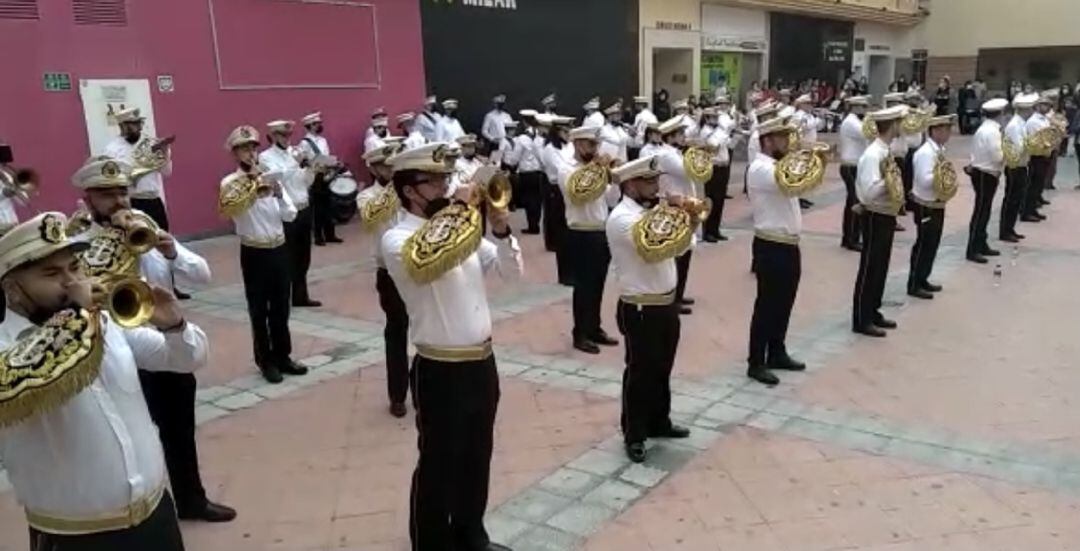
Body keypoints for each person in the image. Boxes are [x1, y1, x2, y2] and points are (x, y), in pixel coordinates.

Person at [0, 210, 209, 551]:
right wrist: (79, 317)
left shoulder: (105, 323)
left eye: (74, 267)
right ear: (12, 288)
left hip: (157, 514)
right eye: (51, 273)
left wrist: (174, 325)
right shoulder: (6, 346)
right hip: (75, 537)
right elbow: (32, 373)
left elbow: (187, 359)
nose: (72, 283)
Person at [69, 156, 235, 524]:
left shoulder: (147, 226)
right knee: (131, 433)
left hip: (166, 339)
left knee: (180, 430)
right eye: (107, 194)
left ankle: (192, 500)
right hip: (119, 348)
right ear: (89, 197)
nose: (119, 202)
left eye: (122, 192)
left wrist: (171, 249)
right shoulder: (76, 245)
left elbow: (202, 276)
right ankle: (142, 508)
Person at [380, 142, 522, 551]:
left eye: (447, 177)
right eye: (437, 179)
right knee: (438, 464)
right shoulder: (398, 238)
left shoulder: (462, 229)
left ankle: (470, 532)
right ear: (410, 190)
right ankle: (430, 543)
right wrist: (462, 210)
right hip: (439, 368)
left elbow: (511, 274)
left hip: (482, 361)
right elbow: (427, 260)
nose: (447, 184)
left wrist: (500, 227)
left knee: (478, 455)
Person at [605, 155, 690, 463]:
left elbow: (683, 247)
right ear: (630, 185)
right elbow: (654, 248)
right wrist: (675, 214)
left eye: (657, 181)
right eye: (649, 182)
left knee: (662, 368)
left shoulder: (653, 211)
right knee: (640, 372)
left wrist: (687, 218)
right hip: (640, 306)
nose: (656, 187)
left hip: (666, 302)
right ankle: (635, 432)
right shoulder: (622, 218)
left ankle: (659, 421)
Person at [219, 125, 307, 383]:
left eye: (253, 148)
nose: (250, 153)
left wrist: (279, 194)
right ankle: (265, 360)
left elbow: (290, 215)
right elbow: (232, 214)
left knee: (281, 307)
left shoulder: (271, 176)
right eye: (244, 149)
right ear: (235, 154)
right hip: (254, 250)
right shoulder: (229, 183)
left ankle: (283, 356)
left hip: (279, 248)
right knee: (259, 309)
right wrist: (250, 188)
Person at [745, 116, 810, 386]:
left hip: (789, 244)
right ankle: (756, 361)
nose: (787, 142)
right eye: (782, 138)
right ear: (768, 141)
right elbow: (793, 181)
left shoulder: (778, 165)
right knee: (767, 305)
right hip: (771, 244)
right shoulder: (761, 168)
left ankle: (777, 351)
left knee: (785, 302)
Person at [356, 142, 410, 418]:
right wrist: (397, 187)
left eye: (393, 165)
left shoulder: (408, 190)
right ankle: (398, 394)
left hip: (416, 267)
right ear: (374, 168)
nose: (390, 170)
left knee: (426, 329)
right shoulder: (367, 196)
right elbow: (371, 215)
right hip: (389, 272)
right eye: (385, 166)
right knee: (397, 332)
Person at [559, 124, 619, 354]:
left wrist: (612, 178)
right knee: (583, 287)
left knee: (598, 283)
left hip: (600, 229)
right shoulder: (567, 168)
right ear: (577, 143)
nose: (594, 149)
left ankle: (594, 327)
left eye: (596, 145)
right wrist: (597, 171)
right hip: (579, 232)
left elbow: (609, 198)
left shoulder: (595, 169)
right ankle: (580, 333)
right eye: (590, 144)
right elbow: (579, 197)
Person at [852, 105, 906, 338]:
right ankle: (861, 318)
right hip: (875, 214)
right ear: (892, 125)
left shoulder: (885, 150)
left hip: (886, 214)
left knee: (881, 266)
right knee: (870, 267)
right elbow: (869, 191)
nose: (902, 127)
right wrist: (889, 181)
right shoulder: (873, 154)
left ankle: (873, 310)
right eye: (899, 123)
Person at [259, 120, 320, 308]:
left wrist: (312, 169)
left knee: (304, 255)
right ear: (273, 136)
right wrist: (297, 164)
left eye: (288, 135)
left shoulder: (294, 153)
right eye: (281, 135)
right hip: (286, 210)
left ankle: (300, 295)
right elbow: (277, 176)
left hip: (304, 207)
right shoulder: (265, 156)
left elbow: (305, 182)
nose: (286, 139)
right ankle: (283, 295)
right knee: (287, 256)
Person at [908, 115, 957, 299]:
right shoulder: (926, 153)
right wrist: (943, 177)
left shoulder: (938, 150)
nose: (949, 133)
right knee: (924, 244)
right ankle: (914, 283)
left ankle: (923, 278)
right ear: (935, 130)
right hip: (926, 204)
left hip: (936, 202)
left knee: (932, 243)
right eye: (946, 130)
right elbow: (924, 179)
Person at [103, 107, 173, 231]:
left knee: (161, 239)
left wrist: (165, 153)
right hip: (129, 203)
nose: (138, 128)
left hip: (154, 201)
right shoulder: (111, 149)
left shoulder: (152, 144)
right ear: (122, 126)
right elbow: (111, 180)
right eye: (133, 124)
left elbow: (167, 173)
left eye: (139, 123)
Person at [655, 117, 698, 314]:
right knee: (677, 254)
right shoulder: (667, 155)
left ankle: (679, 294)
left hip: (685, 206)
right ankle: (672, 298)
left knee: (686, 251)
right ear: (670, 136)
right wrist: (694, 152)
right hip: (674, 208)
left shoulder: (675, 153)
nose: (684, 137)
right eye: (680, 134)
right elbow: (690, 172)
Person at [966, 98, 1008, 264]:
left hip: (984, 172)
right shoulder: (992, 132)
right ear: (1001, 114)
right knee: (981, 211)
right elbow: (997, 156)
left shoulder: (987, 128)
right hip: (985, 173)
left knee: (984, 209)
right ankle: (973, 248)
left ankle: (981, 243)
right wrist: (1009, 153)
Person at [298, 112, 343, 245]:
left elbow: (327, 155)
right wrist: (313, 164)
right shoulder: (304, 143)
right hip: (315, 176)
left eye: (319, 123)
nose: (319, 126)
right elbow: (303, 161)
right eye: (316, 124)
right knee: (318, 208)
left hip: (327, 174)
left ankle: (330, 234)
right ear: (310, 126)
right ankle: (318, 236)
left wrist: (333, 163)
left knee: (330, 205)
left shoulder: (323, 140)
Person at [539, 114, 574, 285]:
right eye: (565, 131)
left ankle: (573, 270)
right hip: (556, 190)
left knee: (570, 231)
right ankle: (565, 274)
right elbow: (562, 169)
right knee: (561, 232)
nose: (568, 134)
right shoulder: (549, 149)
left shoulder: (568, 147)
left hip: (569, 189)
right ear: (557, 132)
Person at [1002, 94, 1035, 239]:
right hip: (1015, 166)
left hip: (1022, 164)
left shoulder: (1021, 123)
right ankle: (1005, 230)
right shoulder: (1015, 125)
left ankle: (1010, 228)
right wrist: (1033, 144)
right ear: (1024, 110)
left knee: (1016, 199)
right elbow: (1018, 147)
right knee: (1011, 199)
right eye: (1030, 109)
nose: (1032, 112)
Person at [839, 95, 870, 251]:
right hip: (850, 165)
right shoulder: (851, 122)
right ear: (856, 107)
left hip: (855, 165)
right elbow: (868, 134)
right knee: (854, 203)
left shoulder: (856, 121)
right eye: (863, 107)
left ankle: (849, 237)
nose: (865, 110)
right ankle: (851, 239)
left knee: (853, 202)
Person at [699, 103, 733, 242]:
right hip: (713, 167)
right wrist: (723, 136)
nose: (716, 120)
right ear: (706, 119)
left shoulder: (719, 131)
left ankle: (716, 229)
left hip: (723, 167)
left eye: (716, 117)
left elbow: (730, 144)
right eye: (713, 117)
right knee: (711, 200)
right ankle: (708, 231)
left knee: (720, 200)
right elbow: (714, 146)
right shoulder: (706, 132)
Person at [511, 113, 545, 234]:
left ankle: (532, 226)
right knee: (537, 200)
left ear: (524, 122)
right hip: (539, 172)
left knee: (528, 200)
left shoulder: (522, 138)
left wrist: (511, 163)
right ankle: (536, 224)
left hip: (526, 173)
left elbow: (514, 158)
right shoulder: (540, 137)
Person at [1023, 92, 1055, 219]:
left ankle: (1033, 208)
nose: (1046, 107)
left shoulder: (1044, 119)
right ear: (1037, 106)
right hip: (1037, 155)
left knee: (1039, 183)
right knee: (1033, 183)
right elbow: (1037, 138)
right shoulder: (1034, 121)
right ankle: (1027, 211)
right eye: (1043, 105)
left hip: (1045, 154)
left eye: (1048, 105)